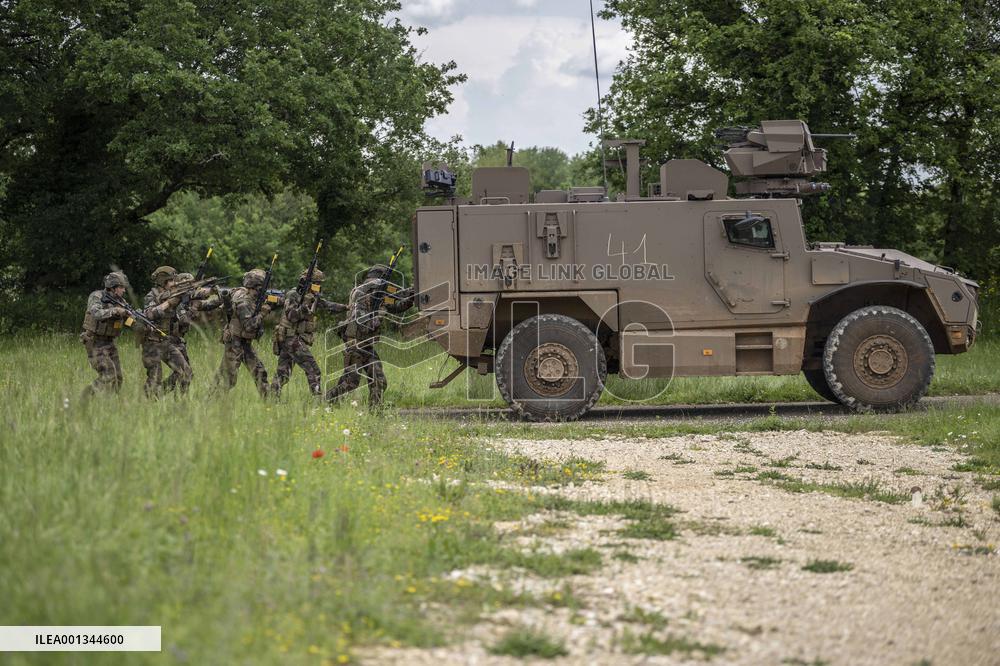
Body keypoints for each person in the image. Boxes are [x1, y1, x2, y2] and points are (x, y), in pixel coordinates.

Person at [324, 265, 413, 408]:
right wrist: (379, 316)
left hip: (367, 345)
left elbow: (397, 306)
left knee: (379, 380)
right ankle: (327, 401)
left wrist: (411, 297)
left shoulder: (378, 298)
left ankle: (375, 410)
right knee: (350, 383)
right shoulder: (360, 295)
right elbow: (362, 324)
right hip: (355, 344)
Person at [270, 268, 346, 397]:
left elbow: (327, 305)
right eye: (317, 283)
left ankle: (271, 398)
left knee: (283, 374)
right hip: (291, 338)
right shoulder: (293, 295)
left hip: (293, 339)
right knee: (313, 370)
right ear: (308, 283)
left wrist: (346, 307)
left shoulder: (312, 297)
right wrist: (304, 306)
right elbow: (291, 316)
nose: (318, 287)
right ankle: (317, 400)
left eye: (319, 284)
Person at [160, 272, 224, 393]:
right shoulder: (175, 301)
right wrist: (194, 308)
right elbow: (184, 320)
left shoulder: (189, 301)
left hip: (178, 341)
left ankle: (177, 398)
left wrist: (222, 298)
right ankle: (156, 393)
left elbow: (209, 305)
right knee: (185, 372)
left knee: (186, 374)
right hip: (168, 341)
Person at [215, 269, 272, 397]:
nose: (262, 291)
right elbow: (249, 326)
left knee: (259, 372)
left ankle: (270, 401)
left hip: (244, 342)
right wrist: (262, 314)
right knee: (228, 378)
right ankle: (211, 402)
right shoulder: (244, 302)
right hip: (235, 343)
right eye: (260, 288)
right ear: (254, 287)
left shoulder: (249, 297)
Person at [80, 271, 132, 397]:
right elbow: (96, 314)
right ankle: (87, 396)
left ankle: (112, 402)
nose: (124, 290)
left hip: (110, 343)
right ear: (113, 287)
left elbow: (128, 322)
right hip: (94, 341)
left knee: (118, 378)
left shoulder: (121, 302)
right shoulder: (96, 296)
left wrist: (136, 322)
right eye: (121, 287)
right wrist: (114, 311)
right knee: (109, 374)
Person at [141, 266, 190, 397]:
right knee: (155, 378)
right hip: (151, 343)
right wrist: (169, 303)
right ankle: (147, 401)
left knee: (186, 372)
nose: (174, 283)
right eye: (171, 280)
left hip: (166, 342)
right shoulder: (151, 296)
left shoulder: (174, 294)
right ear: (163, 281)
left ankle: (160, 395)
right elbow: (149, 314)